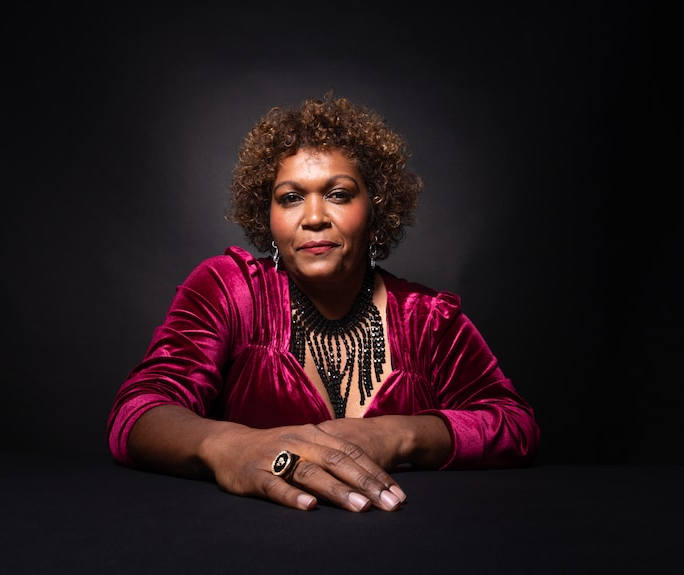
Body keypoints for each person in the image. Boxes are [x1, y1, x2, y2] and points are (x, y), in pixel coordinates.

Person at [107, 93, 540, 512]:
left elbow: (515, 425)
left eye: (338, 194)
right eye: (291, 197)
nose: (314, 217)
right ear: (268, 218)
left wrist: (399, 435)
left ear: (376, 213)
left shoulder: (429, 319)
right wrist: (229, 446)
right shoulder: (230, 290)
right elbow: (138, 411)